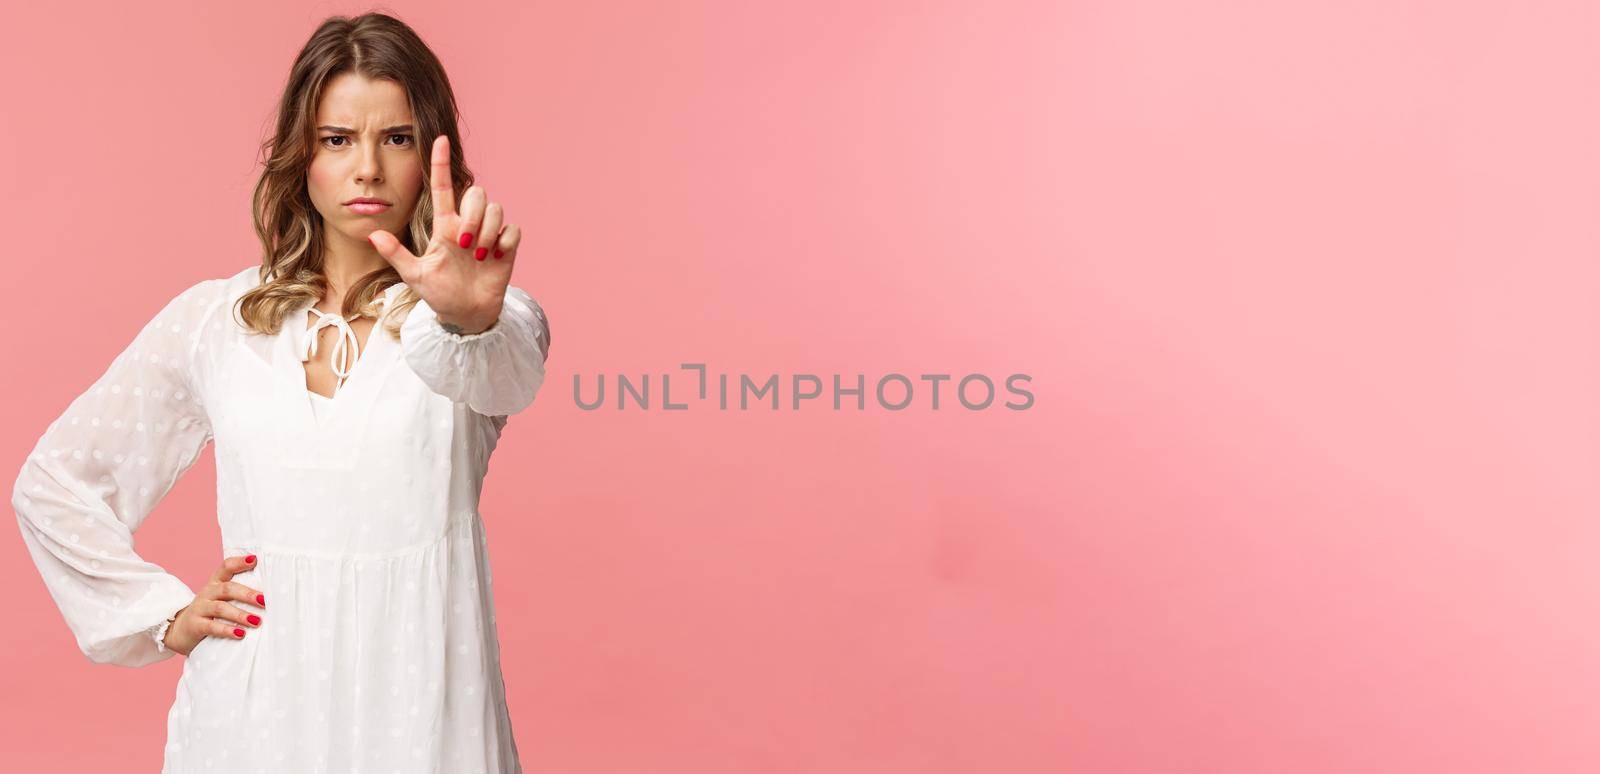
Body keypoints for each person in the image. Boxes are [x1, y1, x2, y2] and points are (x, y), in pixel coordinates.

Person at [10, 12, 549, 773]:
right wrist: (161, 616)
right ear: (303, 157)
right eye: (337, 140)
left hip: (422, 706)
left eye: (395, 138)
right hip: (251, 716)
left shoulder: (478, 319)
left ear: (435, 153)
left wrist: (467, 313)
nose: (367, 168)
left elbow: (503, 374)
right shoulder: (215, 322)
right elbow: (56, 483)